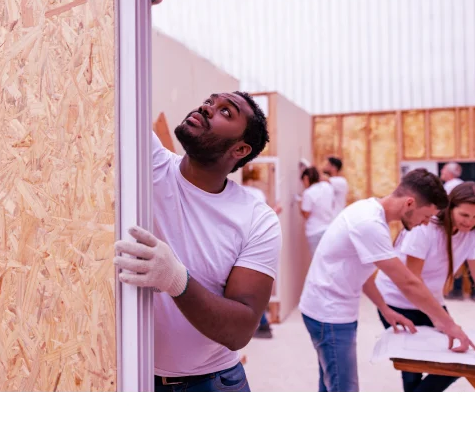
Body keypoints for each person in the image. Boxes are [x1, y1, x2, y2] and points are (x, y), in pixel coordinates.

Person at [114, 67, 282, 391]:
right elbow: (110, 86)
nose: (206, 107)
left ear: (240, 149)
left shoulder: (257, 220)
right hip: (131, 377)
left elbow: (241, 329)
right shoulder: (150, 161)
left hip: (212, 384)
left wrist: (176, 279)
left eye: (224, 112)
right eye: (209, 101)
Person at [298, 168, 475, 393]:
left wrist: (385, 308)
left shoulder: (370, 212)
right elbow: (408, 282)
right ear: (409, 203)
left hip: (329, 308)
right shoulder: (369, 224)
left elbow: (360, 274)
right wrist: (450, 325)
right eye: (425, 217)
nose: (424, 224)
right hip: (329, 314)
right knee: (344, 389)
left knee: (329, 383)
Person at [371, 181, 475, 393]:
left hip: (430, 299)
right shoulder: (424, 228)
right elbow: (413, 280)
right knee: (414, 364)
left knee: (459, 357)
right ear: (451, 208)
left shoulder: (472, 233)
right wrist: (439, 318)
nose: (470, 222)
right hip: (398, 298)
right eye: (464, 215)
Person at [242, 166, 283, 339]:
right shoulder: (257, 193)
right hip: (259, 238)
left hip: (244, 239)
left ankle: (263, 324)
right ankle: (263, 324)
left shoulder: (240, 191)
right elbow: (264, 215)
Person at [440, 162, 475, 301]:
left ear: (450, 173)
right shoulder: (464, 185)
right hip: (468, 230)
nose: (442, 173)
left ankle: (456, 291)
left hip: (454, 228)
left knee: (455, 258)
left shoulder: (448, 187)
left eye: (444, 170)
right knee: (471, 261)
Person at [300, 166, 336, 257]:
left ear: (306, 178)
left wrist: (299, 204)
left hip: (314, 231)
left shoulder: (308, 193)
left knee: (317, 262)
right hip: (329, 228)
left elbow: (306, 214)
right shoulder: (328, 187)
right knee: (328, 259)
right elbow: (332, 203)